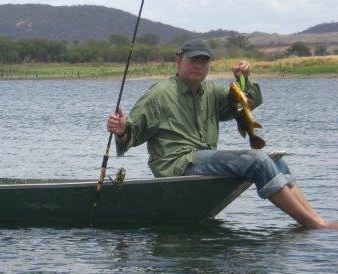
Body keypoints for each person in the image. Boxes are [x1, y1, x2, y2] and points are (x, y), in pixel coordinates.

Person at [107, 38, 337, 229]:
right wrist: (121, 129)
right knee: (255, 159)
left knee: (274, 159)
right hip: (177, 164)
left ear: (209, 66)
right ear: (178, 61)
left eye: (204, 61)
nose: (198, 65)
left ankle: (315, 217)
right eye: (193, 60)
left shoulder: (212, 91)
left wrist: (245, 77)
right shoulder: (159, 94)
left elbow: (248, 103)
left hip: (204, 160)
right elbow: (133, 133)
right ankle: (312, 224)